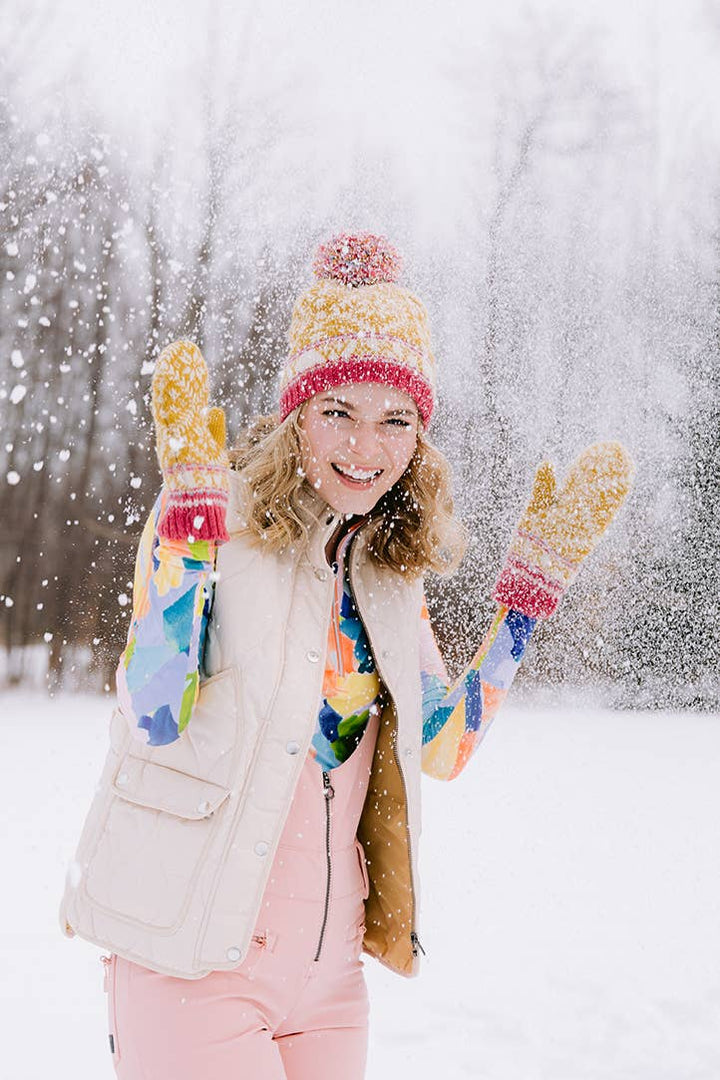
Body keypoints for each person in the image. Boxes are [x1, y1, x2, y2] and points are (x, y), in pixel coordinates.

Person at [60, 232, 633, 1080]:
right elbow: (152, 712)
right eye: (340, 413)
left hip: (327, 983)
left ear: (419, 436)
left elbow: (443, 746)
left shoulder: (389, 575)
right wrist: (185, 541)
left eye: (395, 420)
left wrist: (524, 606)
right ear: (299, 413)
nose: (367, 447)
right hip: (191, 955)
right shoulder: (213, 518)